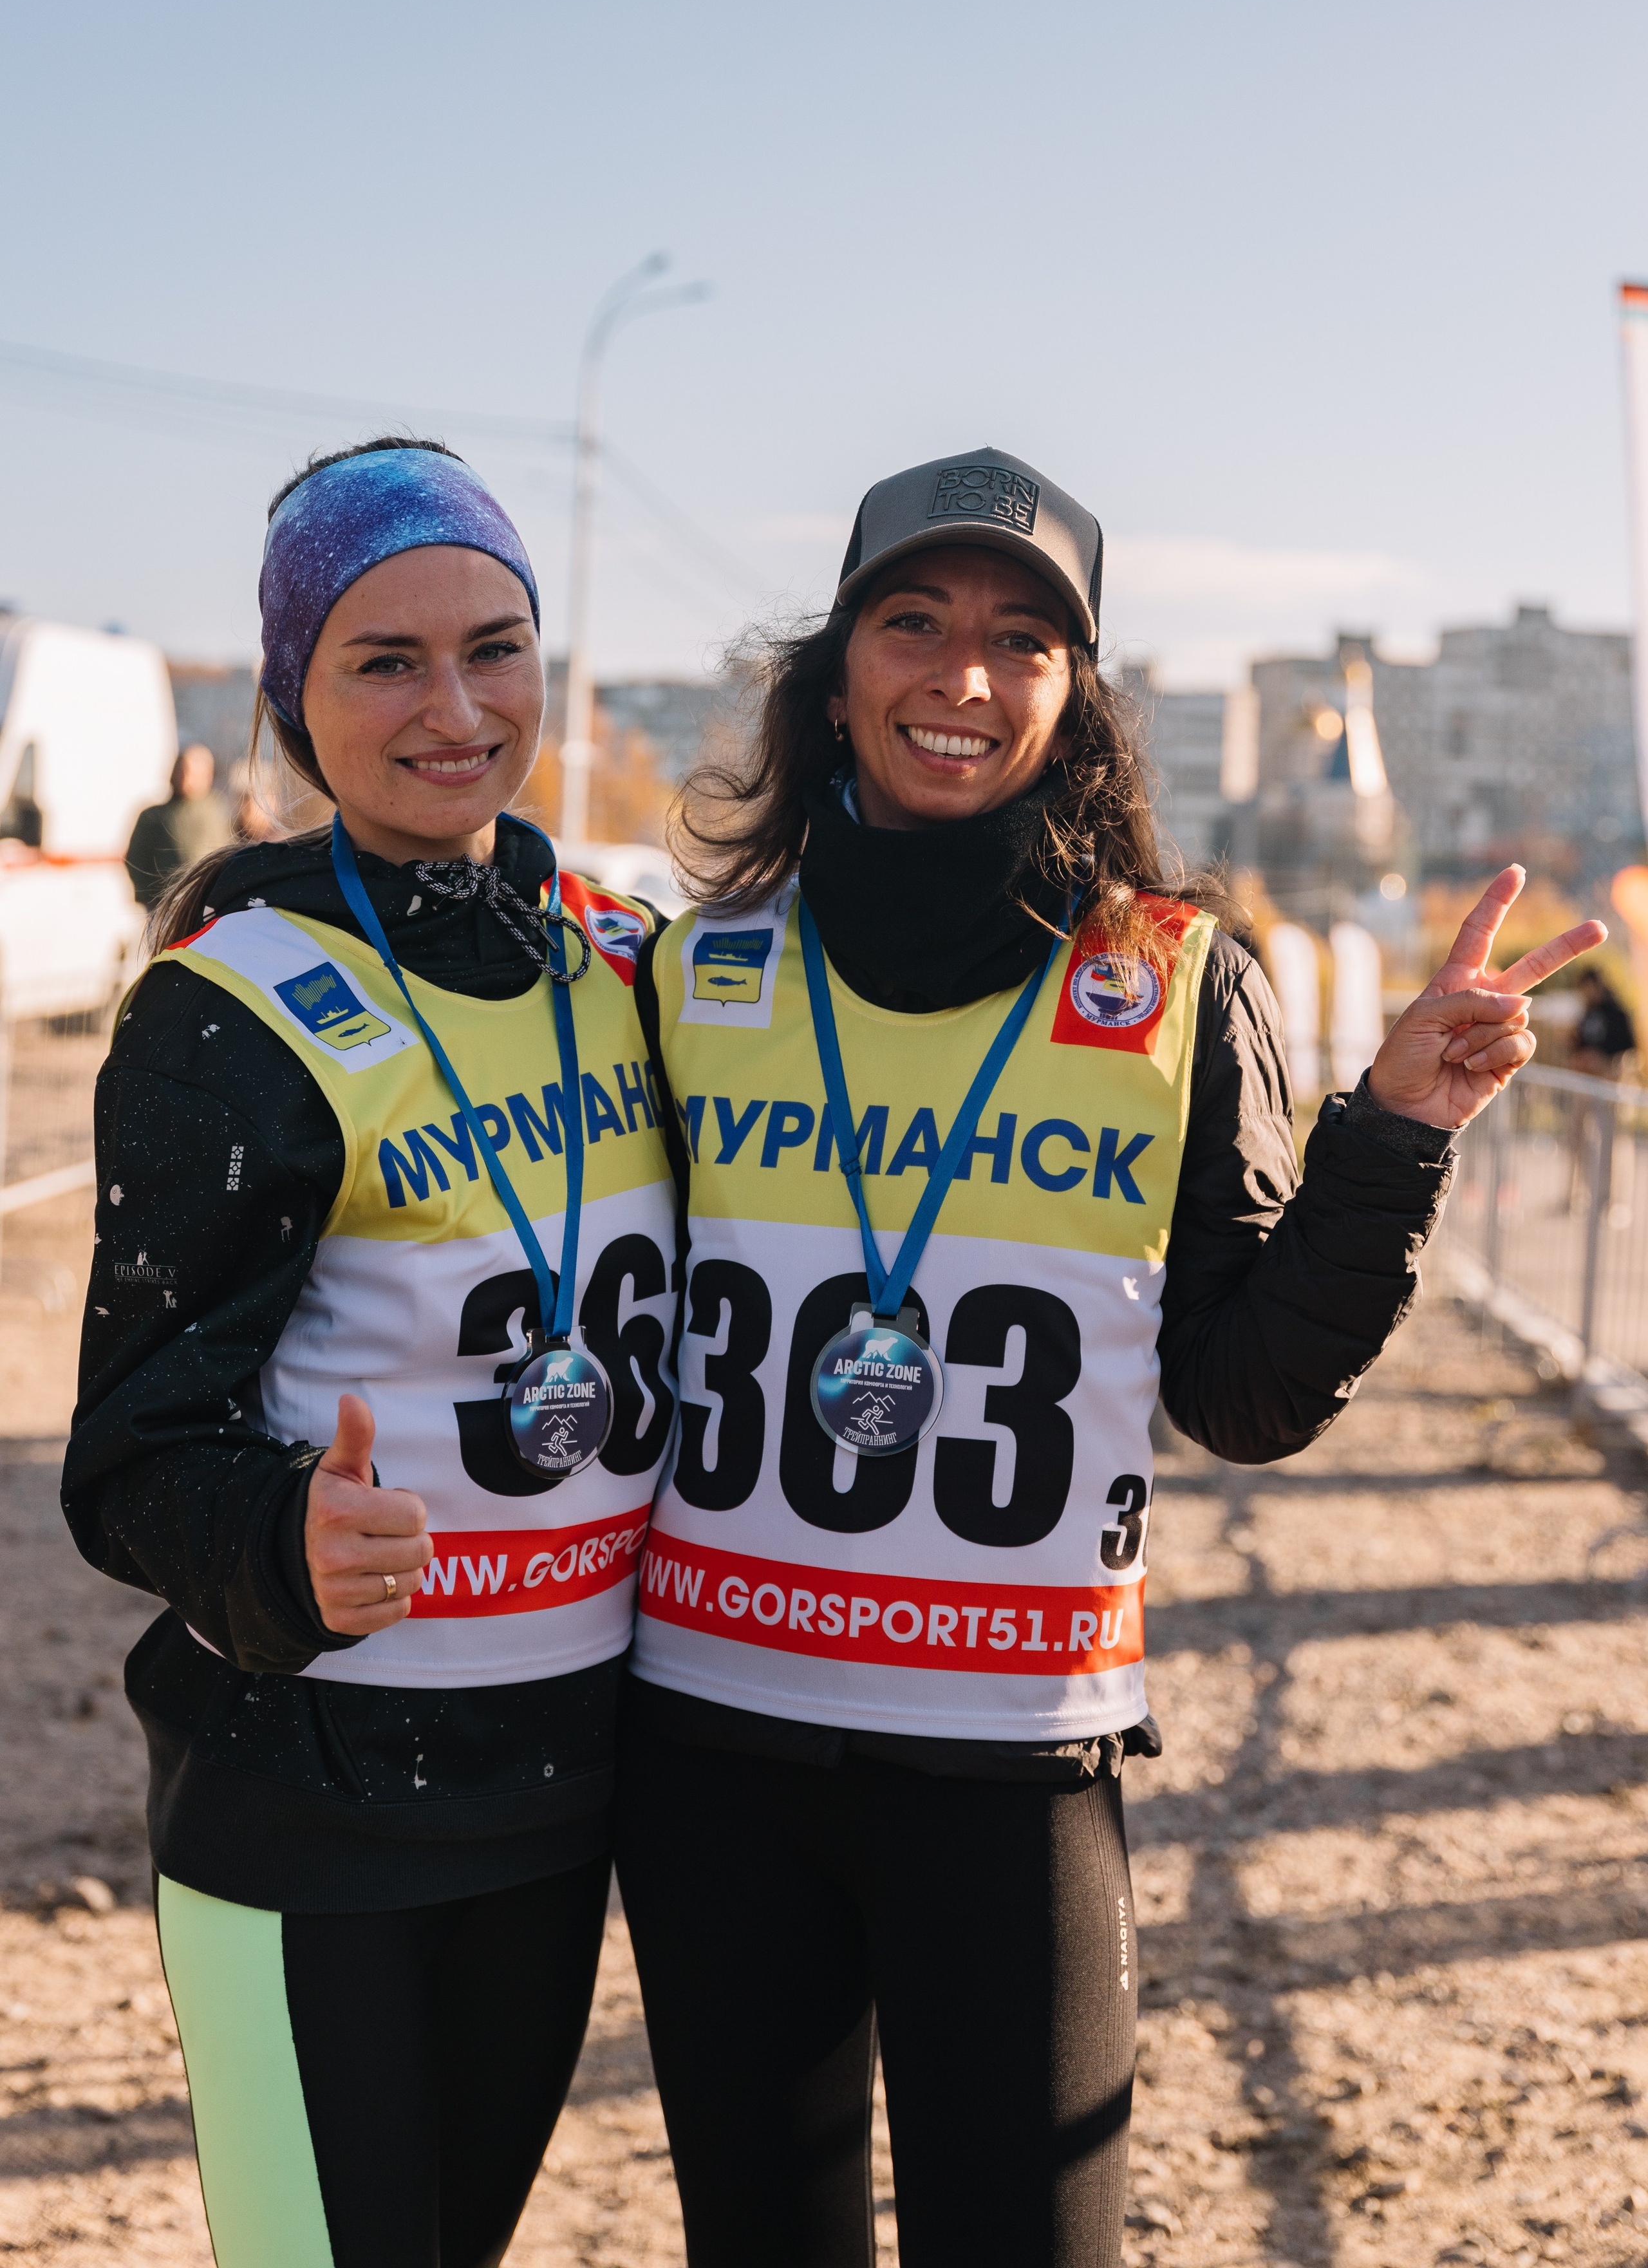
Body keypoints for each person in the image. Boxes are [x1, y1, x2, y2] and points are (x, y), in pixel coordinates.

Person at [613, 448, 1606, 2268]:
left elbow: (1243, 1394)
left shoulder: (1166, 983)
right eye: (912, 623)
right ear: (835, 667)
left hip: (1009, 1767)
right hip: (711, 1763)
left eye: (1022, 640)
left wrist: (1392, 1131)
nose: (963, 678)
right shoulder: (696, 973)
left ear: (1079, 700)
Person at [64, 441, 679, 2268]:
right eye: (384, 662)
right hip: (296, 1806)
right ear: (292, 701)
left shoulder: (619, 967)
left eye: (496, 649)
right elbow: (129, 1453)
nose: (456, 708)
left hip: (558, 1795)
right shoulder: (223, 1008)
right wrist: (277, 1547)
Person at [124, 742, 233, 907]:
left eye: (198, 773)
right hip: (165, 904)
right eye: (184, 771)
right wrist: (151, 898)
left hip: (209, 903)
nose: (189, 778)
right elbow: (136, 859)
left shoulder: (218, 812)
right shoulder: (153, 817)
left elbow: (229, 854)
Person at [1569, 964, 1634, 1076]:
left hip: (1610, 1076)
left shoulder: (1618, 1015)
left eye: (1589, 987)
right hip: (1586, 1077)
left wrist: (1604, 1061)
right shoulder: (1587, 1014)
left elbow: (1628, 1050)